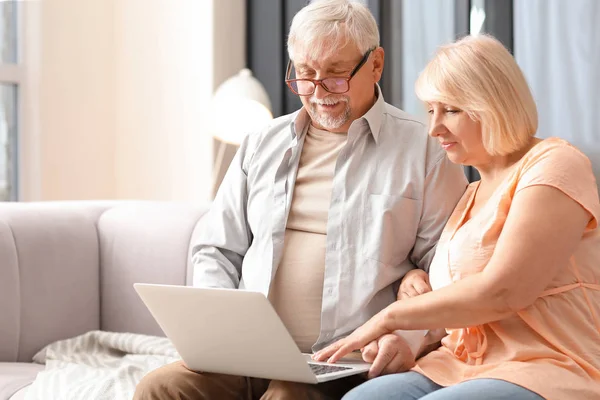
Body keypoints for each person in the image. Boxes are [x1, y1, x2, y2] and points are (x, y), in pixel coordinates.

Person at [133, 1, 467, 399]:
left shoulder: (425, 150)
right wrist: (215, 335)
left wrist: (408, 338)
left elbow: (449, 273)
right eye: (305, 75)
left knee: (288, 394)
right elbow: (216, 249)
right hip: (247, 355)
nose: (318, 91)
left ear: (375, 65)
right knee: (161, 387)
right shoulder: (261, 144)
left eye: (336, 76)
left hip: (347, 360)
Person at [313, 34, 600, 400]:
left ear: (494, 106)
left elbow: (504, 292)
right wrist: (412, 337)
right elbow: (464, 304)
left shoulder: (556, 164)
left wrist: (390, 317)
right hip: (458, 365)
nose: (434, 129)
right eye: (431, 110)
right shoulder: (470, 193)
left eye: (451, 110)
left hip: (546, 366)